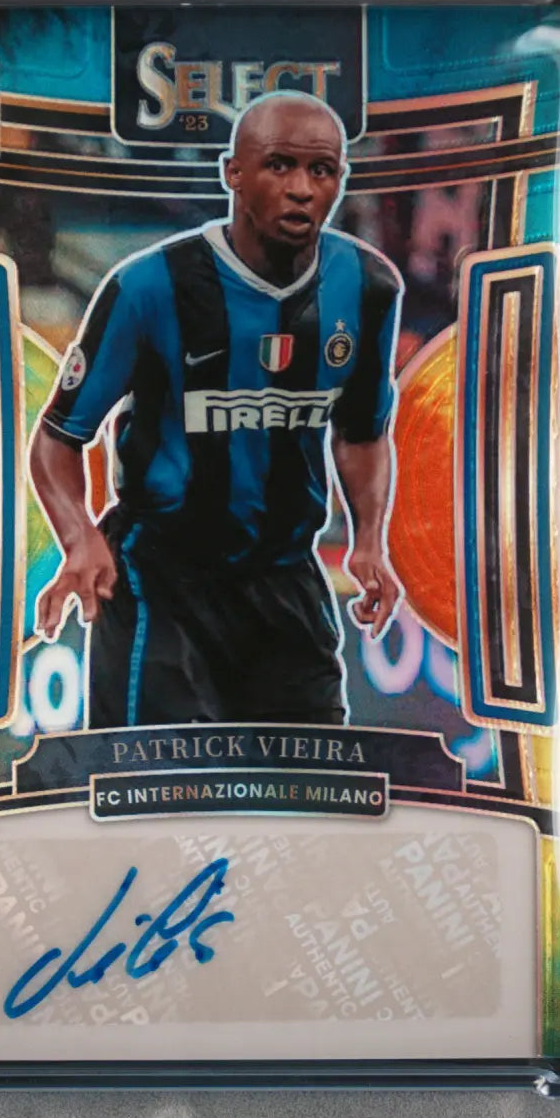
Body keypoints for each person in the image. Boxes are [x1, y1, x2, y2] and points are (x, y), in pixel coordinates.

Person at [30, 89, 403, 728]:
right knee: (159, 776)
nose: (301, 189)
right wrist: (80, 538)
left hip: (285, 580)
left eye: (321, 170)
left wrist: (369, 539)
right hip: (161, 579)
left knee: (308, 774)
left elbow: (361, 431)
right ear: (233, 172)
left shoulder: (368, 288)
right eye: (279, 164)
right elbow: (58, 436)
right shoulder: (149, 286)